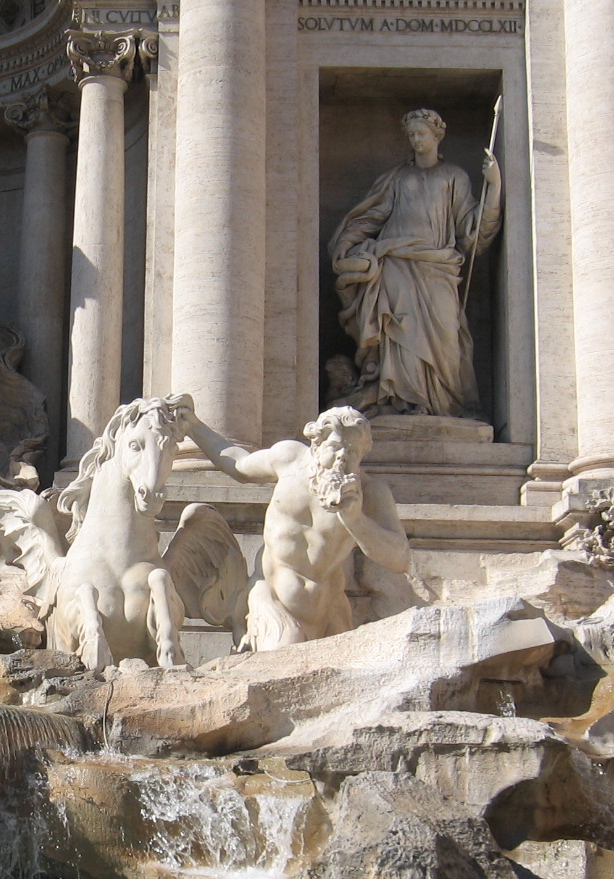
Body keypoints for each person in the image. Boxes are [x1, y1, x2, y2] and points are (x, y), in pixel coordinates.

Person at [177, 402, 410, 650]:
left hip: (329, 609)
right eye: (335, 447)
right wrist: (193, 426)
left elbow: (400, 559)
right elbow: (239, 464)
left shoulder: (371, 493)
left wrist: (355, 520)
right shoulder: (289, 459)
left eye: (353, 451)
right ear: (317, 445)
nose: (343, 456)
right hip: (273, 599)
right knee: (280, 656)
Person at [330, 107, 501, 419]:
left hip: (438, 266)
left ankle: (445, 406)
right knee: (401, 329)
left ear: (437, 135)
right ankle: (404, 400)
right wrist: (345, 242)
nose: (416, 140)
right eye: (411, 135)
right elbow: (371, 217)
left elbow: (472, 229)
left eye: (422, 134)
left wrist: (494, 186)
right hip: (396, 262)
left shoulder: (454, 177)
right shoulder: (397, 178)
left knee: (447, 336)